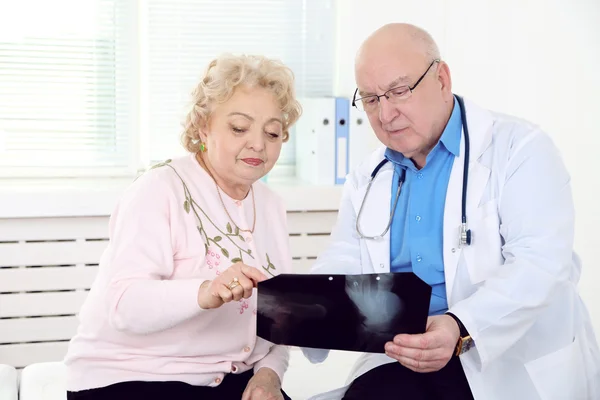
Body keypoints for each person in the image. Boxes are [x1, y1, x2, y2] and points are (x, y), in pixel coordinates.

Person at [301, 23, 600, 400]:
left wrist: (460, 326)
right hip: (405, 355)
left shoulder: (520, 150)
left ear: (441, 78)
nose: (385, 114)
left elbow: (541, 263)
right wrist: (301, 307)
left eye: (399, 91)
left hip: (505, 356)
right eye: (372, 99)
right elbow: (347, 256)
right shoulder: (369, 177)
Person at [64, 53, 302, 400]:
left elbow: (279, 319)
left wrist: (269, 375)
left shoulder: (270, 204)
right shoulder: (159, 189)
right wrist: (204, 291)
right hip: (131, 377)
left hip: (226, 378)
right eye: (239, 128)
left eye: (272, 132)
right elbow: (124, 305)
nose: (258, 144)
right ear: (203, 127)